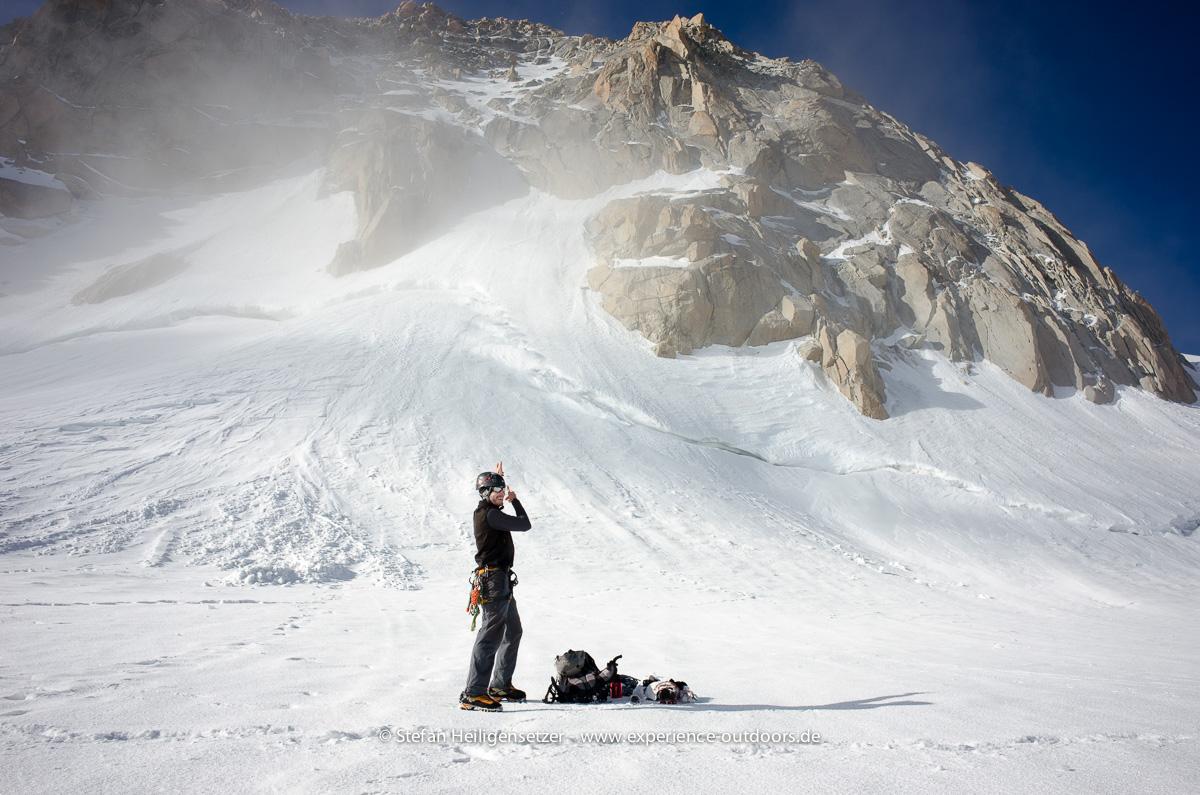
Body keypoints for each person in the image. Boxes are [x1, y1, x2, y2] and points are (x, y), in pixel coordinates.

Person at [460, 461, 531, 712]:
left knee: (513, 630)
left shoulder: (489, 509)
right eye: (497, 492)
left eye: (503, 491)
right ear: (485, 494)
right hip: (493, 580)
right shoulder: (490, 514)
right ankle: (474, 692)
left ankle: (499, 685)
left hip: (500, 579)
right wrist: (514, 500)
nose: (501, 495)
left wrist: (495, 480)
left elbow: (492, 492)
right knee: (490, 635)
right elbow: (524, 524)